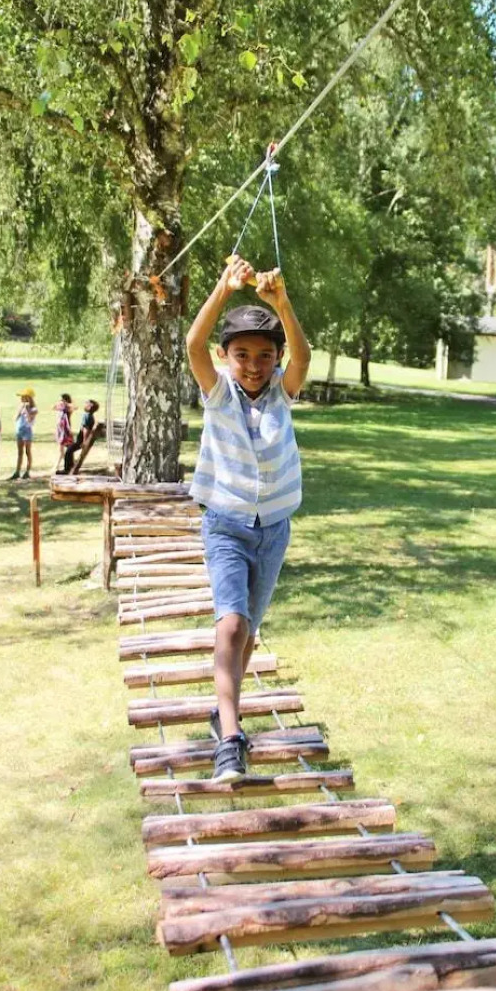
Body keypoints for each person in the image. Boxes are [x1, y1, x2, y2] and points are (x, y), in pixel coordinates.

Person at [186, 254, 311, 782]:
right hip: (226, 525)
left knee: (250, 630)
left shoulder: (283, 392)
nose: (254, 365)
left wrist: (281, 303)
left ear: (277, 359)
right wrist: (223, 287)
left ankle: (224, 713)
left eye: (265, 355)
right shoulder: (218, 393)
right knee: (231, 624)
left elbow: (304, 355)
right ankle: (232, 740)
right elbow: (193, 345)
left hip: (273, 530)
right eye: (242, 355)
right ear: (225, 356)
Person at [64, 398, 99, 474]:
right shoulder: (90, 416)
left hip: (81, 440)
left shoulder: (86, 416)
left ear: (90, 406)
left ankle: (67, 470)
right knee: (70, 450)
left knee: (68, 451)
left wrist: (84, 441)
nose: (85, 404)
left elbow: (86, 430)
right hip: (82, 439)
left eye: (86, 403)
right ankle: (70, 467)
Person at [10, 387, 38, 480]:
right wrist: (20, 409)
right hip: (20, 430)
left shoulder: (34, 409)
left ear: (28, 397)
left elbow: (30, 419)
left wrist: (27, 409)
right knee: (20, 452)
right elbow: (15, 418)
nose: (21, 398)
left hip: (27, 430)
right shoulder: (21, 407)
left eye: (23, 396)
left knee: (27, 451)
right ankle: (17, 472)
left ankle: (27, 471)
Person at [53, 393, 76, 473]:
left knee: (67, 448)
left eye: (62, 400)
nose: (60, 401)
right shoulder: (60, 408)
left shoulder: (67, 409)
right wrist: (60, 404)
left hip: (66, 430)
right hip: (60, 430)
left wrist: (66, 404)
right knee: (63, 449)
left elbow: (74, 407)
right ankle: (70, 464)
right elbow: (54, 407)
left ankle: (58, 465)